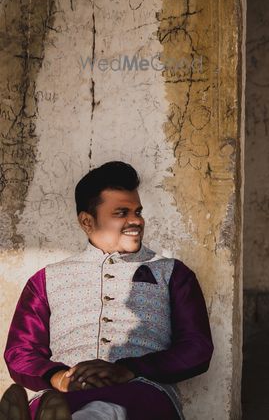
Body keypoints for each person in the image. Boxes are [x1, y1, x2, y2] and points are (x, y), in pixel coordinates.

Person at [2, 161, 213, 420]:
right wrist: (58, 378)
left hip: (142, 389)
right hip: (63, 394)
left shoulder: (172, 273)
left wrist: (129, 370)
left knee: (123, 408)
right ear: (87, 222)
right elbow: (21, 351)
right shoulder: (46, 279)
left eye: (138, 211)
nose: (136, 220)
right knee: (55, 406)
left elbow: (197, 347)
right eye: (121, 213)